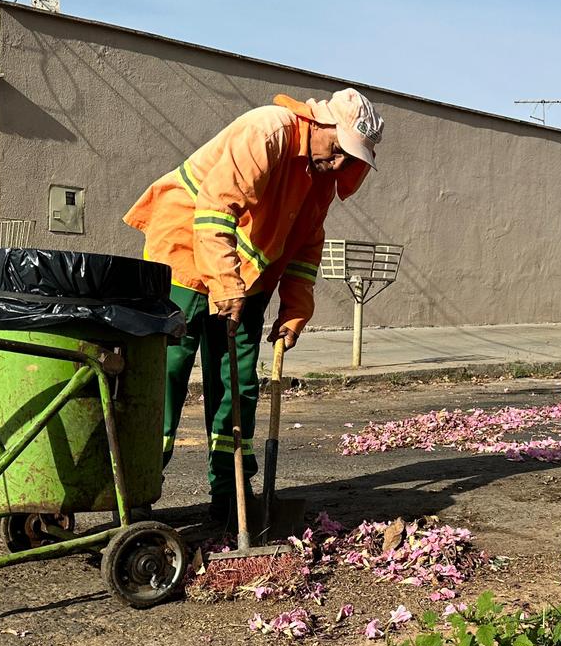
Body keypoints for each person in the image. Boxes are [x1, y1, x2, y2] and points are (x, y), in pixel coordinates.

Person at [125, 88, 384, 523]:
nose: (339, 163)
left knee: (238, 385)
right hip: (186, 255)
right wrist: (224, 282)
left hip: (246, 280)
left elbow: (305, 247)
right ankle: (138, 491)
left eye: (350, 159)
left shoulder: (320, 176)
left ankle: (231, 497)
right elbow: (215, 209)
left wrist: (295, 310)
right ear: (320, 124)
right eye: (338, 149)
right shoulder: (267, 130)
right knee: (165, 374)